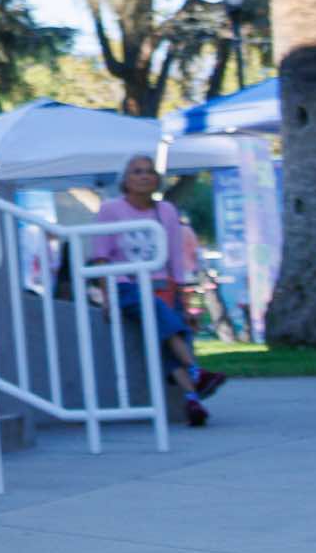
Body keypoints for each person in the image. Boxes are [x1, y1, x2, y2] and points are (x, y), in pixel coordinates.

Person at [90, 156, 228, 427]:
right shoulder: (110, 210)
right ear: (125, 180)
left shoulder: (166, 211)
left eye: (149, 171)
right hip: (126, 284)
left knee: (166, 332)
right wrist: (107, 297)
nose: (144, 176)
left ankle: (192, 399)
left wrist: (183, 297)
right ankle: (196, 373)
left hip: (163, 283)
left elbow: (175, 257)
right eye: (137, 172)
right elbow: (101, 256)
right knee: (158, 313)